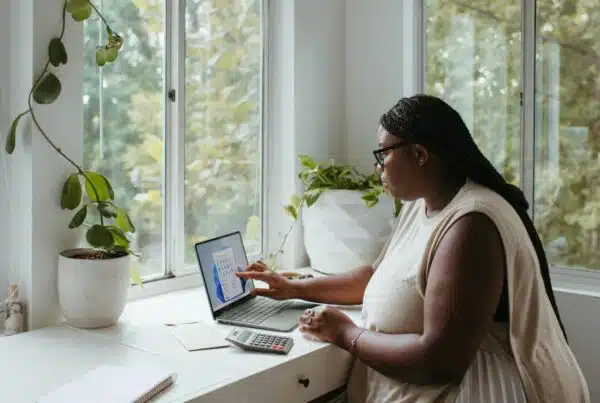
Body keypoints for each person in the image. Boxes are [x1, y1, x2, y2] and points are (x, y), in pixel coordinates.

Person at [236, 94, 590, 402]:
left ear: (419, 154)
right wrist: (293, 287)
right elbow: (376, 276)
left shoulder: (471, 224)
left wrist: (346, 333)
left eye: (383, 154)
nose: (378, 168)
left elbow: (439, 362)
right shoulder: (421, 204)